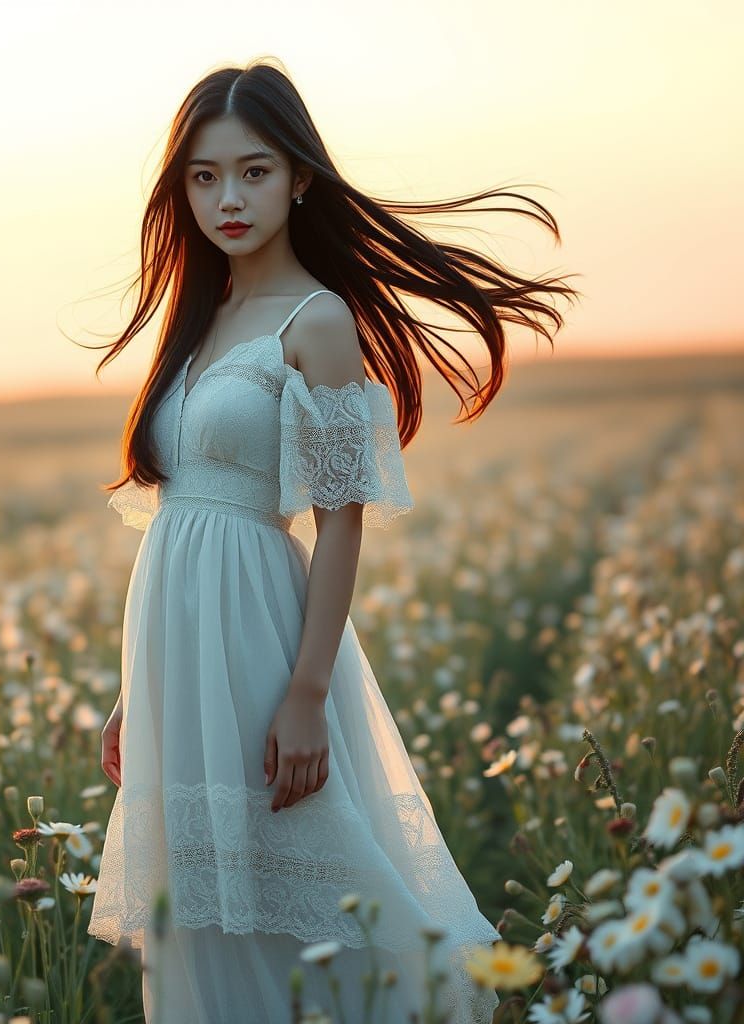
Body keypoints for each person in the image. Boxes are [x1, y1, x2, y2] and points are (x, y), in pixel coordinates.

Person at [85, 59, 579, 1024]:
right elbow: (180, 509)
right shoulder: (199, 319)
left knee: (305, 889)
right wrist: (128, 692)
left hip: (261, 638)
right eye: (204, 176)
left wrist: (306, 692)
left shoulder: (319, 322)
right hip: (174, 650)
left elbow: (339, 520)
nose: (228, 197)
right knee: (197, 906)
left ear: (300, 177)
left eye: (255, 171)